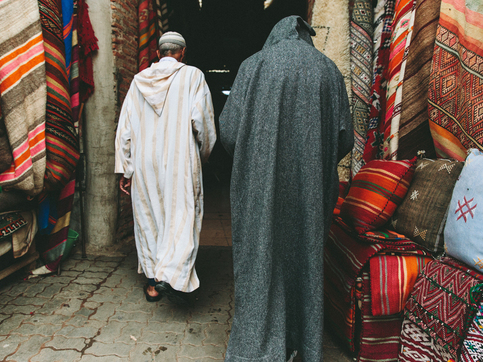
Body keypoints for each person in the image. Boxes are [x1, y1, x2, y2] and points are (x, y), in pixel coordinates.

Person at [219, 16, 354, 361]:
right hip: (311, 188)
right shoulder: (329, 71)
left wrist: (258, 155)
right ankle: (303, 345)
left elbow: (230, 133)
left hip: (260, 186)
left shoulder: (254, 65)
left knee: (260, 257)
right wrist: (313, 156)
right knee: (306, 262)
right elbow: (344, 139)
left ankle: (256, 347)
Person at [115, 31, 216, 305]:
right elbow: (203, 124)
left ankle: (153, 283)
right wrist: (202, 156)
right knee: (181, 216)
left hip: (145, 162)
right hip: (180, 159)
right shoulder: (193, 76)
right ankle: (171, 275)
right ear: (182, 53)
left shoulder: (138, 81)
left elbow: (125, 129)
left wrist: (126, 169)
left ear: (158, 54)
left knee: (149, 218)